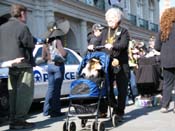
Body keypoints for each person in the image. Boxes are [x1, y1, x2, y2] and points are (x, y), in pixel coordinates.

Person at [88, 7, 130, 121]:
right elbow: (97, 40)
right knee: (107, 87)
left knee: (122, 89)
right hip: (107, 62)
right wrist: (92, 45)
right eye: (107, 20)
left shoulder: (124, 31)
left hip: (121, 63)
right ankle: (112, 105)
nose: (108, 22)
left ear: (117, 19)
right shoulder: (105, 31)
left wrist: (113, 46)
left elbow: (123, 45)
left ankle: (119, 112)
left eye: (111, 20)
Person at [0, 4, 35, 129]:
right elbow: (30, 44)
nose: (26, 16)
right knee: (24, 93)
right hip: (23, 63)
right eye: (26, 14)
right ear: (22, 13)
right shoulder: (22, 27)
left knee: (12, 94)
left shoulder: (2, 27)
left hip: (8, 65)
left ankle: (13, 120)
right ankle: (19, 120)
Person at [42, 20, 69, 117]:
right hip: (58, 66)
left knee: (50, 88)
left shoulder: (45, 42)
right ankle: (55, 111)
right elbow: (63, 54)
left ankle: (46, 110)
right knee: (57, 89)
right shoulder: (57, 40)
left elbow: (43, 57)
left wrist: (50, 57)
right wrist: (65, 52)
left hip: (49, 66)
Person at [154, 7, 175, 113]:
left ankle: (164, 106)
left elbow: (157, 47)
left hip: (167, 61)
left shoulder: (163, 30)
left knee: (167, 83)